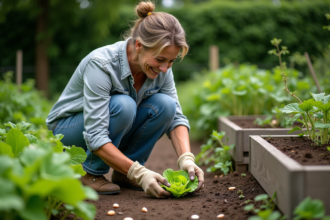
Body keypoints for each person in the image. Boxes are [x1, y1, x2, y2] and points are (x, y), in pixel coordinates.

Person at [46, 0, 204, 198]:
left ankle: (125, 173)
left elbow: (176, 118)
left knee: (166, 105)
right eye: (161, 60)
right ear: (138, 45)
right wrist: (141, 173)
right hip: (66, 132)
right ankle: (90, 173)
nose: (165, 68)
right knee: (124, 105)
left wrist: (186, 159)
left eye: (171, 61)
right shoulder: (101, 64)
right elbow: (95, 133)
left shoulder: (161, 68)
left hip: (102, 127)